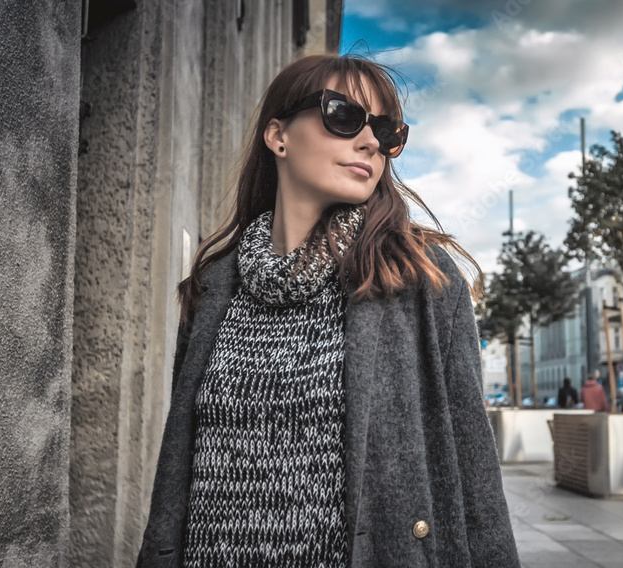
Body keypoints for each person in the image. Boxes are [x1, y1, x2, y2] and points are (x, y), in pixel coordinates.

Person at [135, 54, 519, 567]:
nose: (370, 143)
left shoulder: (420, 279)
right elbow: (176, 472)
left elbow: (475, 470)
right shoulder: (214, 286)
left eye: (386, 132)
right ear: (278, 136)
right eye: (344, 116)